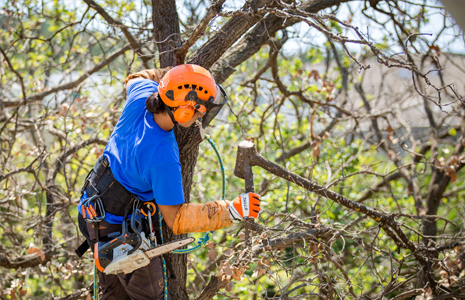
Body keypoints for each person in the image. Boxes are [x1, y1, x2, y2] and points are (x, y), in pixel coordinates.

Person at [76, 64, 262, 300]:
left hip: (91, 214)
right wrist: (231, 210)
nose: (201, 117)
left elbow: (137, 76)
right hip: (118, 236)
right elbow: (176, 218)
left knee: (112, 294)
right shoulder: (162, 155)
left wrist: (177, 77)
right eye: (200, 112)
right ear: (185, 111)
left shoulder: (141, 95)